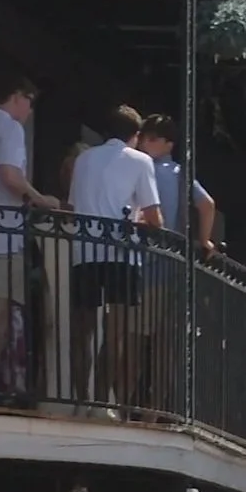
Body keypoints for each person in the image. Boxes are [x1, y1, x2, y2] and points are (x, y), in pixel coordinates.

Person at [67, 105, 162, 404]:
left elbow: (73, 206)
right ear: (135, 135)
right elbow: (154, 218)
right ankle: (100, 401)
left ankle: (80, 399)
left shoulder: (83, 159)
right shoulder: (140, 161)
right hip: (121, 254)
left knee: (82, 331)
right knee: (116, 330)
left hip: (84, 251)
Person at [0, 77, 60, 397]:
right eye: (30, 102)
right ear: (16, 97)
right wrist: (41, 199)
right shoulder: (9, 128)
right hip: (0, 236)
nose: (30, 110)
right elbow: (9, 175)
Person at [134, 117, 215, 256]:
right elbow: (207, 204)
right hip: (172, 254)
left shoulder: (138, 167)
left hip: (141, 250)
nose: (144, 144)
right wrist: (205, 241)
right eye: (142, 138)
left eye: (152, 139)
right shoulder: (180, 174)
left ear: (169, 144)